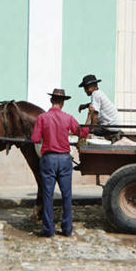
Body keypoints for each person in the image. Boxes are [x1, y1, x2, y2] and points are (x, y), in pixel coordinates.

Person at [31, 88, 88, 238]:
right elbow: (82, 132)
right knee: (67, 195)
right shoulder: (68, 118)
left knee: (48, 195)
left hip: (48, 159)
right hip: (64, 159)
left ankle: (48, 229)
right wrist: (89, 118)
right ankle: (67, 228)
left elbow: (35, 139)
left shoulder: (42, 118)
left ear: (51, 101)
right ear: (62, 103)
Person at [77, 74, 121, 139]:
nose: (85, 90)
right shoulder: (99, 93)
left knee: (87, 131)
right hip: (114, 126)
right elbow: (95, 104)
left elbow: (95, 115)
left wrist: (91, 130)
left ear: (94, 86)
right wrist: (85, 106)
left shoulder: (95, 95)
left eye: (86, 88)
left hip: (110, 128)